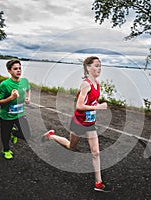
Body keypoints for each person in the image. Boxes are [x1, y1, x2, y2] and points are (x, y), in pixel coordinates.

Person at [42, 56, 114, 192]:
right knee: (71, 146)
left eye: (100, 66)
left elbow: (91, 102)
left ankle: (98, 183)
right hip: (78, 123)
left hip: (90, 123)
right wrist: (98, 108)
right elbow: (79, 106)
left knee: (95, 152)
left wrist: (97, 105)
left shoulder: (97, 84)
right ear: (88, 68)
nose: (99, 68)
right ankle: (51, 136)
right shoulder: (85, 84)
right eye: (96, 65)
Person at [0, 59, 31, 160]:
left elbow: (28, 89)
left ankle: (13, 133)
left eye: (20, 68)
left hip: (20, 114)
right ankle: (6, 150)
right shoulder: (5, 84)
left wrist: (28, 97)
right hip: (6, 116)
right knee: (5, 136)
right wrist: (11, 98)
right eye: (15, 69)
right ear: (9, 71)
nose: (19, 70)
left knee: (27, 135)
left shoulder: (24, 81)